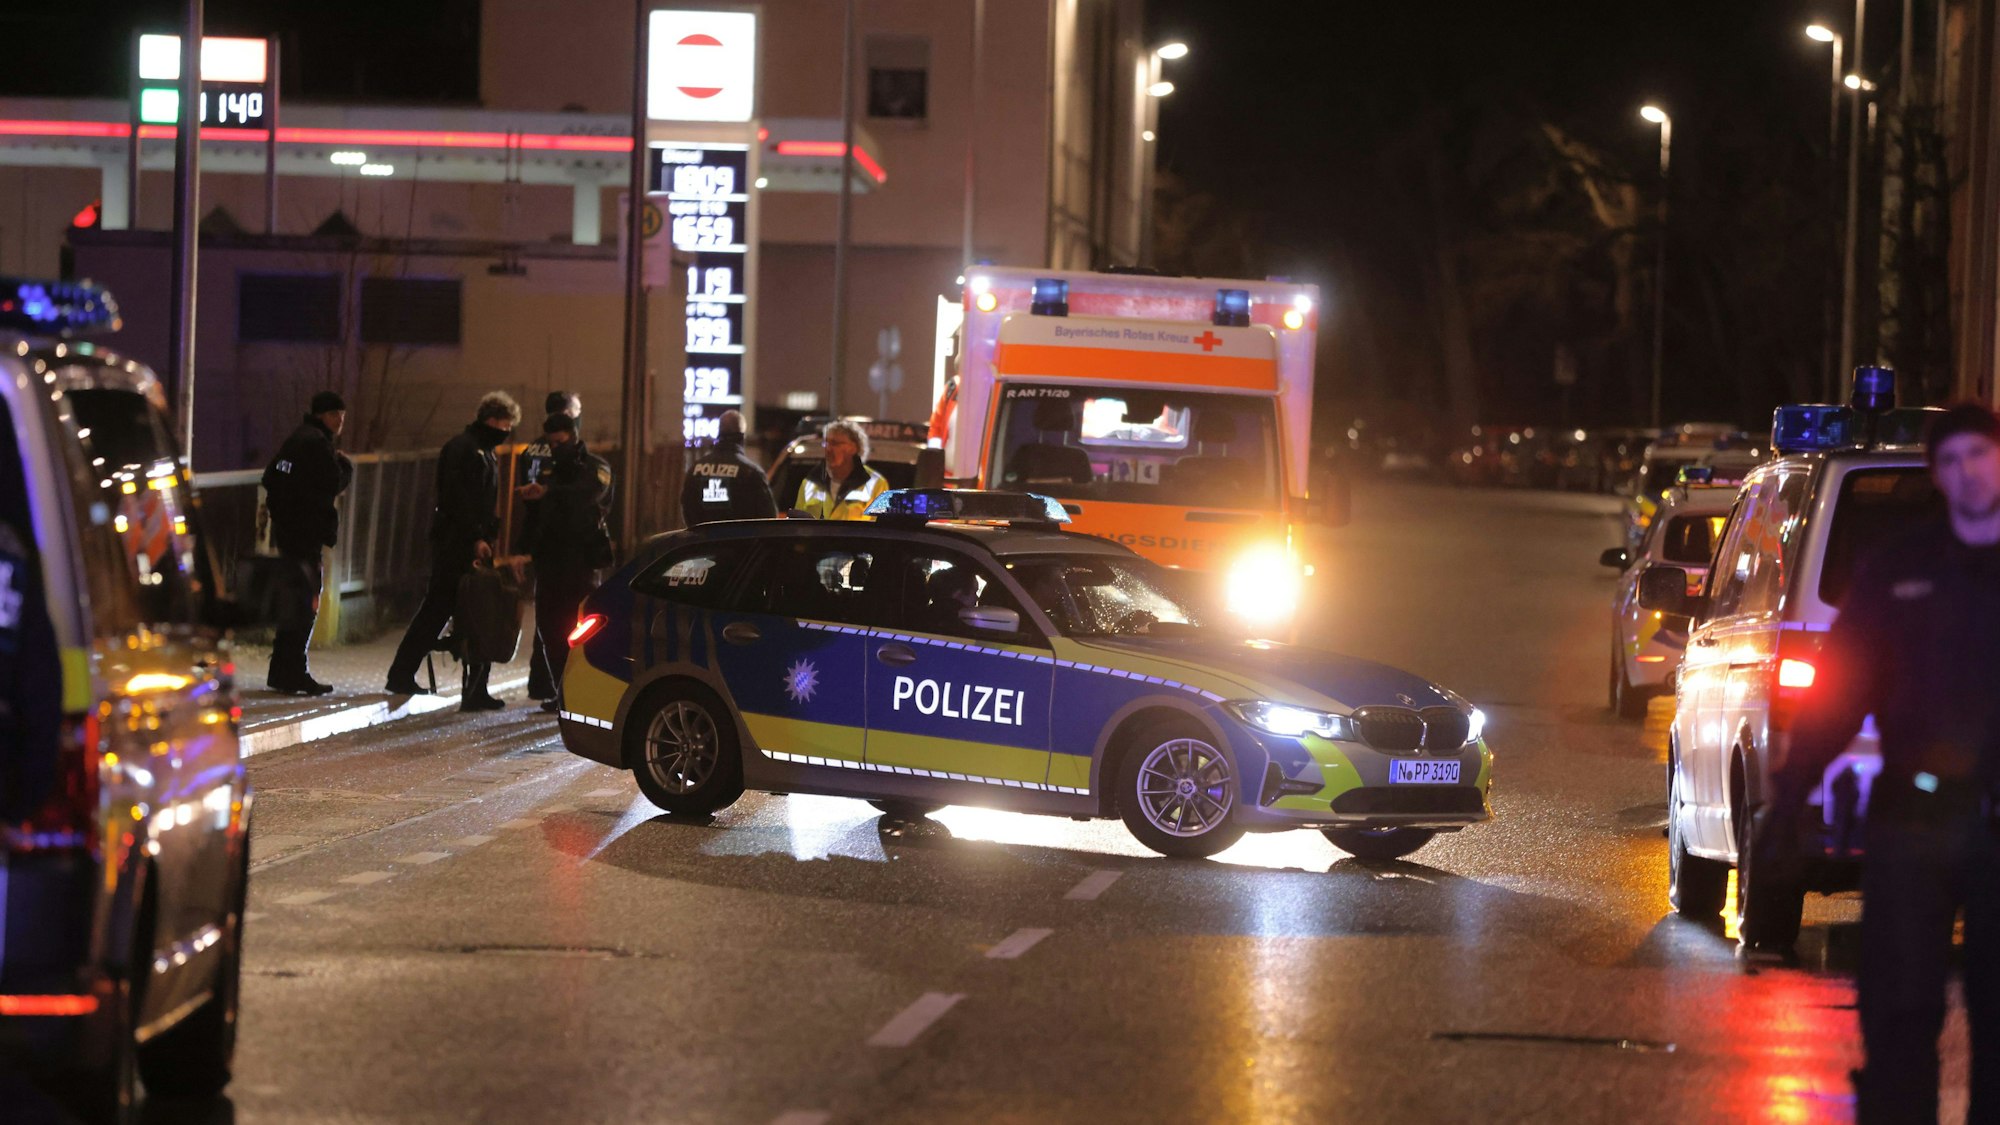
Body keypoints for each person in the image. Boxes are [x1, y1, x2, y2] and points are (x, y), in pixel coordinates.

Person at [1764, 402, 2000, 1123]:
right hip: (1912, 821)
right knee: (1899, 1014)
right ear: (1937, 473)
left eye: (1980, 454)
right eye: (1951, 459)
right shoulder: (1898, 571)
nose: (1968, 472)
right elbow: (1843, 691)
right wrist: (1789, 795)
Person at [385, 391, 520, 710]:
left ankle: (475, 689)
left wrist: (488, 534)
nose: (507, 431)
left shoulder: (483, 450)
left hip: (471, 544)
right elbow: (457, 499)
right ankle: (402, 673)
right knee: (439, 608)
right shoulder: (465, 449)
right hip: (455, 546)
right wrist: (476, 536)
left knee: (478, 613)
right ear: (492, 420)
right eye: (505, 424)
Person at [516, 413, 612, 712]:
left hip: (582, 563)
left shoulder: (596, 467)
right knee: (549, 628)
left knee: (580, 629)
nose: (556, 448)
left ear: (573, 436)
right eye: (552, 443)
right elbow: (534, 518)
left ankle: (584, 693)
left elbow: (589, 494)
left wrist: (549, 492)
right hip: (550, 560)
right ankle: (564, 693)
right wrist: (522, 549)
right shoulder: (546, 471)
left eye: (561, 441)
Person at [261, 391, 354, 695]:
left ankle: (281, 671)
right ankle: (293, 673)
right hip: (304, 535)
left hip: (290, 532)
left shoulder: (296, 440)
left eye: (342, 414)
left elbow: (271, 476)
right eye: (333, 414)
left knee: (294, 602)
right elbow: (331, 483)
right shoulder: (316, 444)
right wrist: (346, 468)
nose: (339, 420)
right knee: (305, 604)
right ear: (319, 415)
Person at [517, 390, 581, 702]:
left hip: (538, 538)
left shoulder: (530, 449)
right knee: (562, 618)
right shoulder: (567, 453)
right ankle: (556, 685)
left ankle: (540, 682)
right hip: (561, 541)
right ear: (567, 414)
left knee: (545, 616)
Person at [681, 409, 777, 525]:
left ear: (718, 434)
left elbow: (688, 510)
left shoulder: (695, 470)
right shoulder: (750, 472)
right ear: (742, 437)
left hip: (703, 542)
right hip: (741, 542)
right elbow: (768, 517)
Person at [795, 419, 888, 520]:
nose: (828, 449)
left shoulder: (875, 483)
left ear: (854, 448)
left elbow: (879, 530)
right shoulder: (810, 482)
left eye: (835, 443)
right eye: (826, 443)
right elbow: (797, 525)